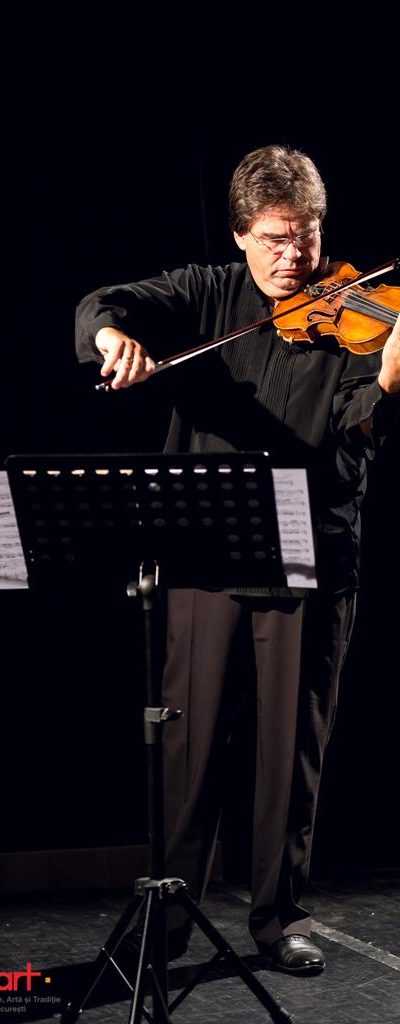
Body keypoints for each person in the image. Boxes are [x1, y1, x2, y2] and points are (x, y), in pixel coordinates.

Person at [75, 144, 400, 975]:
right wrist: (110, 335)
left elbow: (356, 427)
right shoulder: (206, 293)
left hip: (312, 554)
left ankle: (278, 919)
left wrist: (391, 377)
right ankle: (169, 921)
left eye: (308, 236)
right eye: (276, 239)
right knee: (187, 748)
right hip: (204, 553)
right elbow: (103, 303)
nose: (295, 257)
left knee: (292, 753)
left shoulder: (362, 313)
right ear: (240, 235)